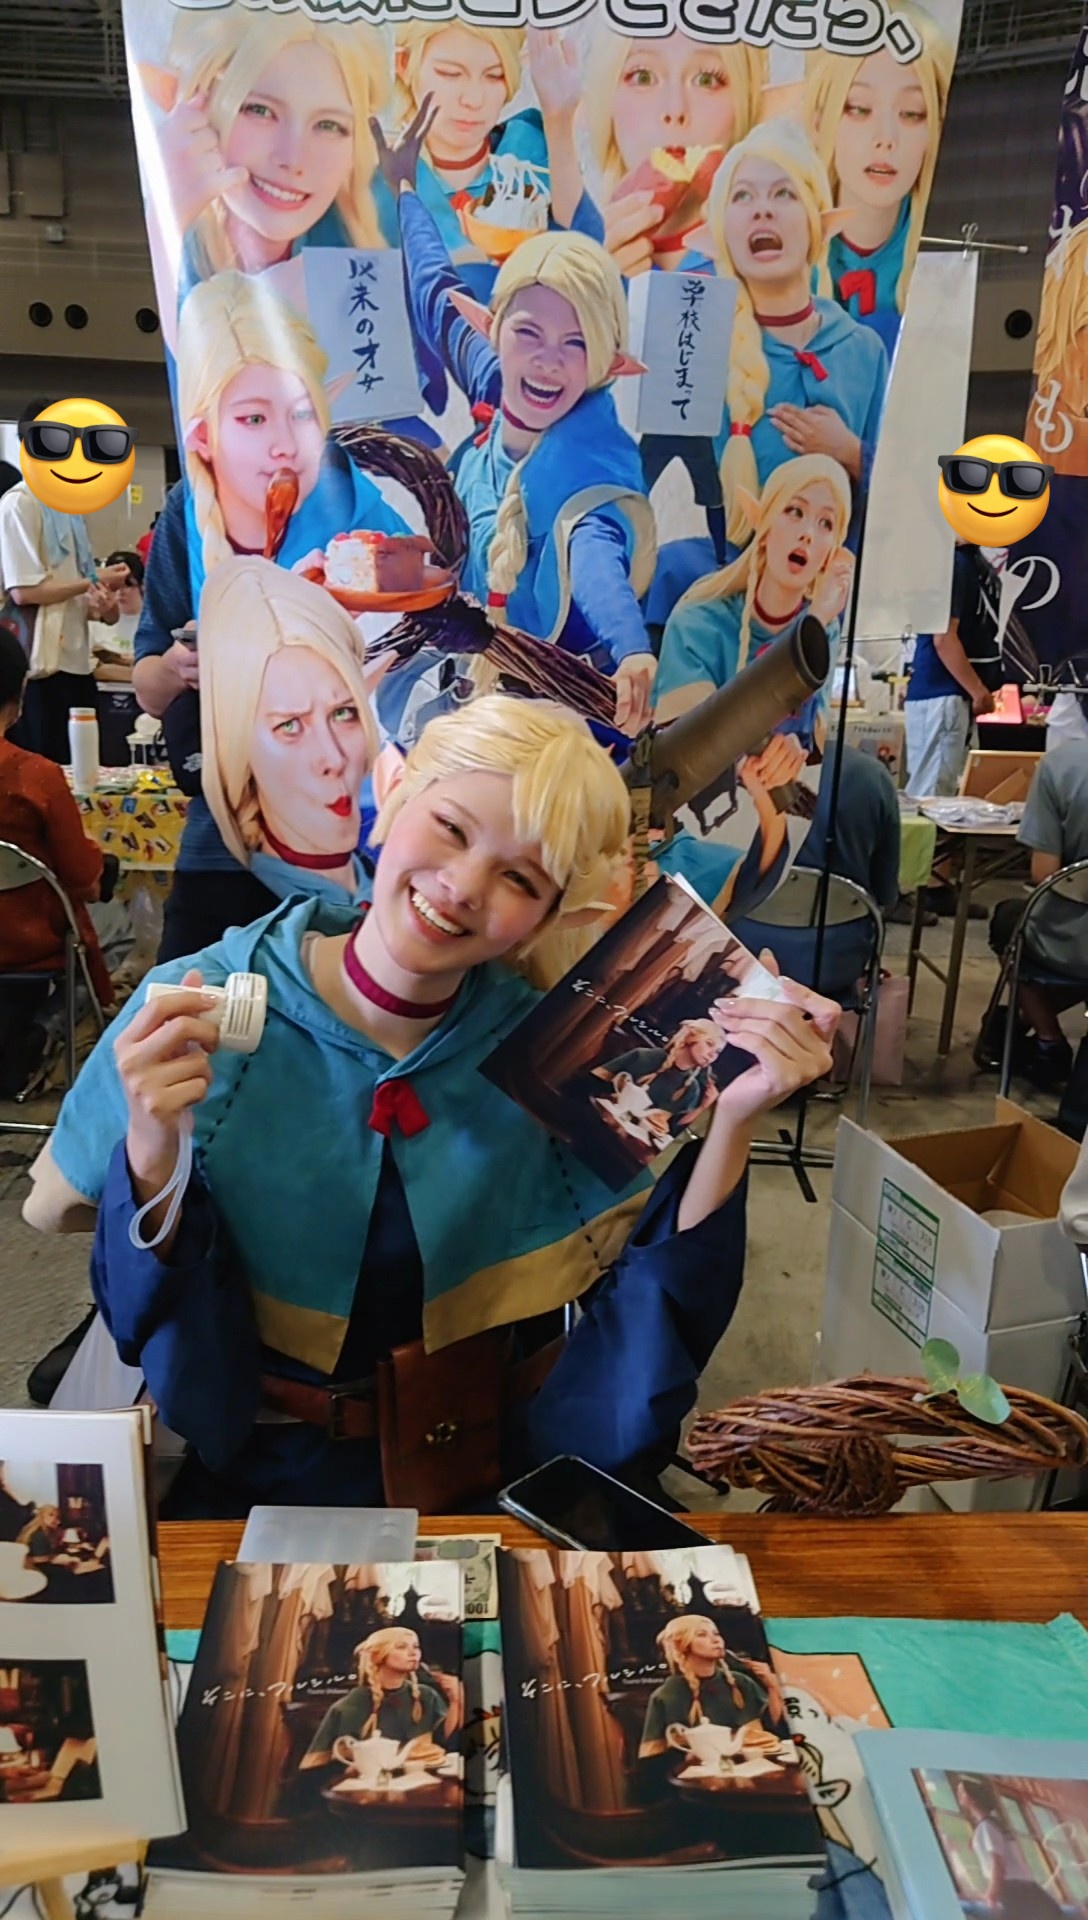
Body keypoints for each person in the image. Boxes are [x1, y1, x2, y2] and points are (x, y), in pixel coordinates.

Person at [23, 695, 837, 1517]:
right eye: (451, 827)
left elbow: (641, 1316)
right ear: (392, 795)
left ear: (545, 918)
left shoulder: (548, 1050)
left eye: (520, 878)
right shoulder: (192, 1007)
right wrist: (154, 1145)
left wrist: (737, 1113)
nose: (461, 887)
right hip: (252, 1483)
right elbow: (154, 1327)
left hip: (480, 1478)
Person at [382, 145, 658, 738]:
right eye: (529, 333)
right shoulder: (492, 379)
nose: (548, 361)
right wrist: (405, 190)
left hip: (554, 718)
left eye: (576, 343)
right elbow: (433, 288)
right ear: (492, 329)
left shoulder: (592, 460)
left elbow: (593, 549)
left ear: (608, 363)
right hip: (461, 692)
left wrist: (630, 645)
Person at [579, 27, 769, 562]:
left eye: (708, 79)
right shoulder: (560, 255)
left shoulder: (790, 279)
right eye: (642, 75)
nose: (675, 112)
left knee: (709, 494)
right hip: (592, 595)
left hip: (736, 596)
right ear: (605, 105)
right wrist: (586, 296)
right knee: (633, 496)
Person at [141, 11, 391, 336]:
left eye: (329, 125)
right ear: (197, 108)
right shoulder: (163, 239)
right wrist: (167, 216)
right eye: (259, 111)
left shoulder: (387, 218)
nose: (293, 159)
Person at [705, 120, 889, 556]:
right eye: (742, 196)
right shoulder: (699, 351)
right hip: (721, 588)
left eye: (784, 194)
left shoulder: (865, 350)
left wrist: (851, 451)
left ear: (817, 226)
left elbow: (906, 499)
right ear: (720, 233)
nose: (762, 210)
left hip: (837, 592)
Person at [176, 270, 410, 605]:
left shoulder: (359, 514)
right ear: (202, 436)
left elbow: (433, 616)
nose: (287, 446)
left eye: (301, 414)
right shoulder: (182, 525)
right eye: (254, 419)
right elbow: (154, 638)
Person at [375, 25, 600, 305]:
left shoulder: (532, 151)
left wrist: (559, 120)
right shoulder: (376, 178)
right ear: (404, 64)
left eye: (495, 76)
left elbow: (588, 267)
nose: (473, 100)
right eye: (450, 74)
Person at [198, 557, 380, 904]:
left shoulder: (392, 886)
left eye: (343, 713)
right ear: (238, 748)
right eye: (290, 726)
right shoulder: (230, 923)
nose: (334, 758)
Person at [0, 627, 115, 1095]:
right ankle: (44, 1033)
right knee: (121, 926)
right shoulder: (36, 776)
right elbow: (84, 879)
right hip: (26, 948)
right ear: (18, 696)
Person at [805, 3, 954, 353]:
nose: (886, 138)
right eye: (859, 108)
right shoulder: (777, 238)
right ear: (819, 121)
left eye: (912, 113)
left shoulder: (945, 257)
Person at [0, 399, 129, 763]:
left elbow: (83, 599)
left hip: (78, 663)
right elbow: (24, 592)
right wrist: (92, 581)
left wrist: (104, 606)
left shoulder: (70, 510)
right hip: (40, 667)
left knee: (85, 771)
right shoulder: (19, 503)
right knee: (42, 770)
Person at [731, 744, 901, 1002]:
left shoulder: (726, 769)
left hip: (740, 953)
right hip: (835, 960)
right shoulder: (871, 775)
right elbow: (886, 893)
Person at [985, 739, 1088, 1092]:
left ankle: (1048, 1040)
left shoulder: (1062, 766)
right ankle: (1025, 1019)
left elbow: (1045, 873)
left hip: (1069, 939)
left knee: (1008, 922)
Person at [904, 541, 996, 802]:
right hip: (943, 693)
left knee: (940, 792)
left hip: (943, 692)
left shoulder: (959, 562)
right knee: (933, 798)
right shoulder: (955, 564)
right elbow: (943, 638)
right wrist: (978, 690)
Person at [300, 1627, 457, 1766]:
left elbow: (445, 1740)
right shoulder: (354, 1702)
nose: (413, 1652)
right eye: (401, 1647)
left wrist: (456, 1701)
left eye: (416, 1646)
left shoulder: (426, 1695)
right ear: (378, 1656)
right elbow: (331, 1762)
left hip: (423, 1773)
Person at [638, 1616, 783, 1759]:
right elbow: (652, 1757)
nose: (716, 1640)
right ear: (682, 1645)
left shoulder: (740, 1682)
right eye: (702, 1635)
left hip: (753, 1762)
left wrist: (773, 1686)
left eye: (716, 1634)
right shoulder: (667, 1694)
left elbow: (775, 1728)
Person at [592, 1018, 726, 1139]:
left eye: (717, 1052)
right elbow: (591, 1083)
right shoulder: (644, 1057)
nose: (712, 1054)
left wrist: (703, 1108)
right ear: (691, 1038)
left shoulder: (692, 1089)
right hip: (597, 1123)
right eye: (709, 1044)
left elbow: (673, 1133)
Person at [954, 1776, 1064, 1920]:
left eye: (961, 1792)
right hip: (1024, 1887)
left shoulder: (987, 1827)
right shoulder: (992, 1825)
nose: (958, 1795)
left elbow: (998, 1864)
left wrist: (991, 1895)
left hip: (1013, 1890)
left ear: (972, 1798)